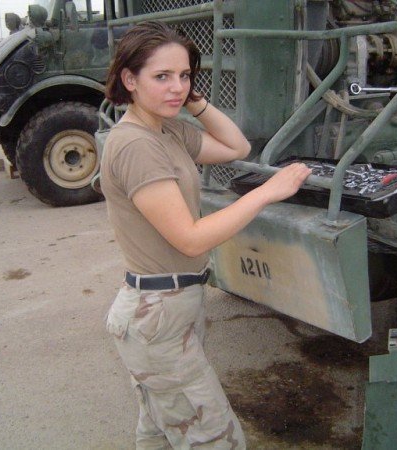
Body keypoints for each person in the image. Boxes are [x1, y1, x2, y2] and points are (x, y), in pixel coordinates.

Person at [101, 21, 311, 449]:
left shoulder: (166, 128)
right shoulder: (137, 145)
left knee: (159, 432)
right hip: (156, 314)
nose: (176, 87)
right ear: (129, 79)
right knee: (217, 439)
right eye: (161, 77)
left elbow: (237, 148)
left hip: (170, 307)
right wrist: (269, 192)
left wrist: (190, 100)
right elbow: (192, 239)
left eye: (184, 76)